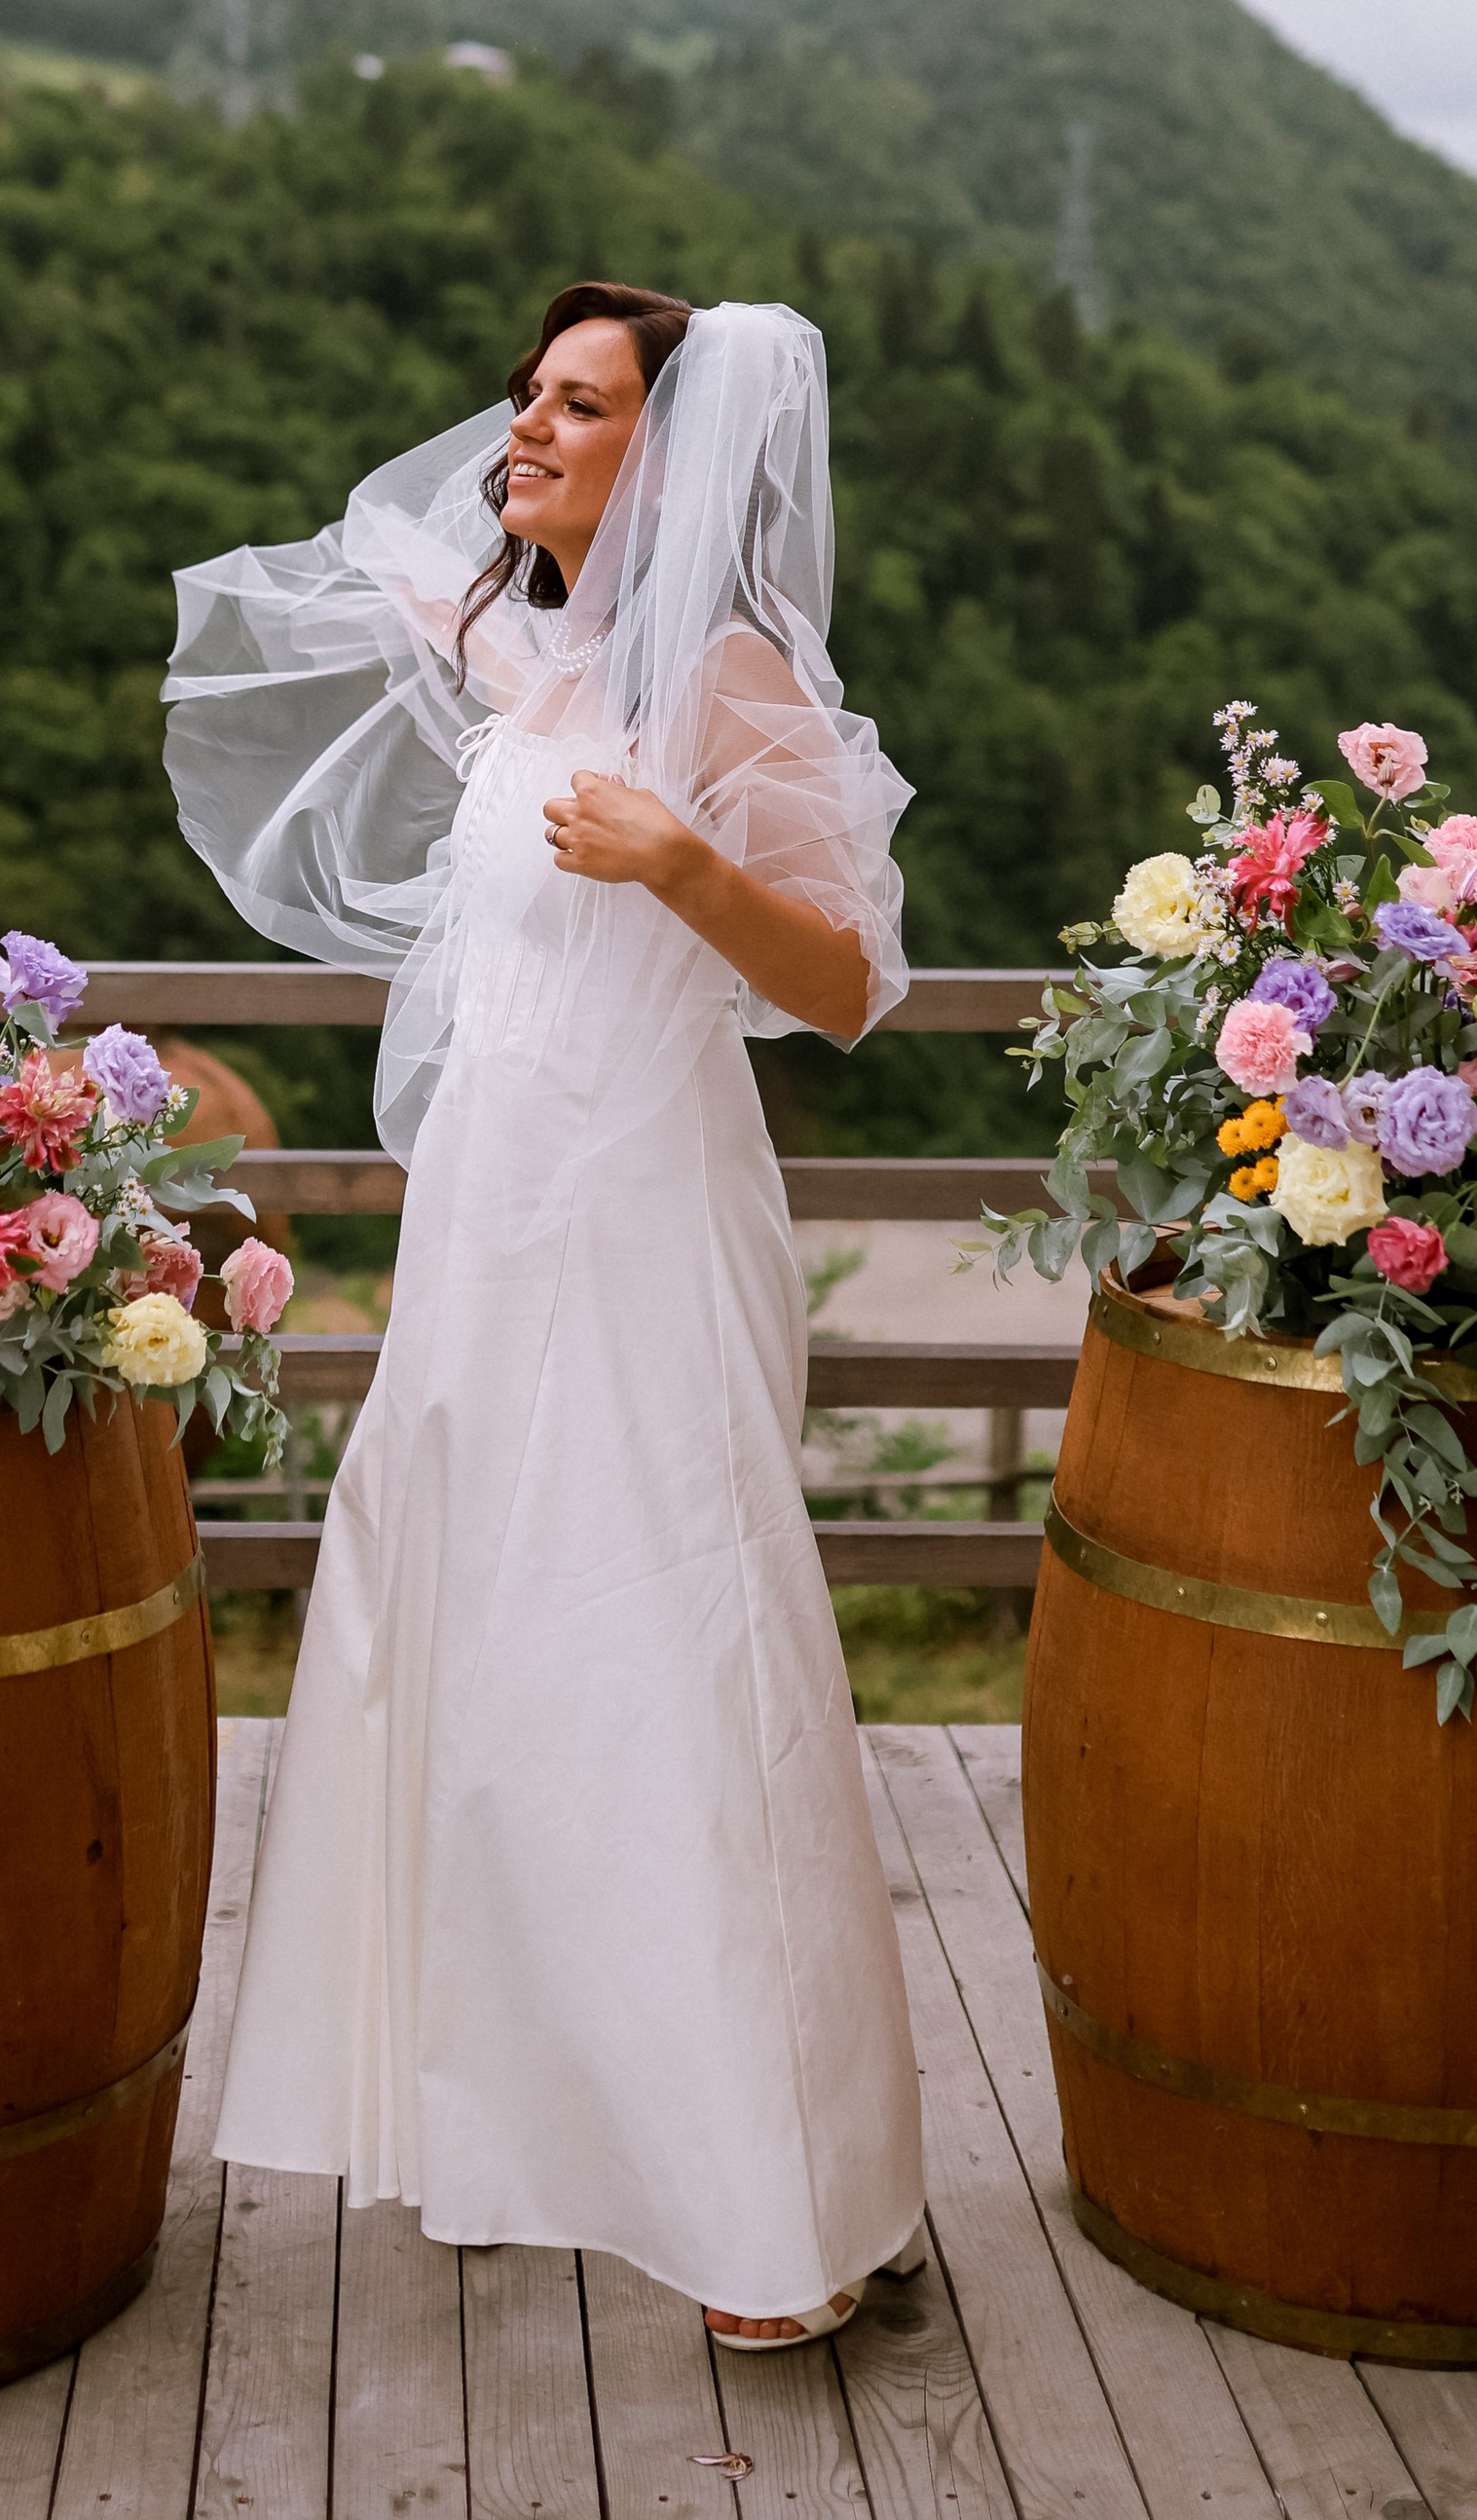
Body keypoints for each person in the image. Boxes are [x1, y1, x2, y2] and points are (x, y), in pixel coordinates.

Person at [164, 284, 925, 2345]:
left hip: (641, 1219)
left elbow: (853, 982)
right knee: (480, 1651)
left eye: (575, 406)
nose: (523, 430)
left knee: (666, 1653)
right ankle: (506, 2115)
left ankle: (781, 2203)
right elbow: (422, 594)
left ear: (662, 454)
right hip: (489, 1223)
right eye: (523, 397)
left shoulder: (731, 678)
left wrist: (681, 866)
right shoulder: (546, 661)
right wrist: (448, 610)